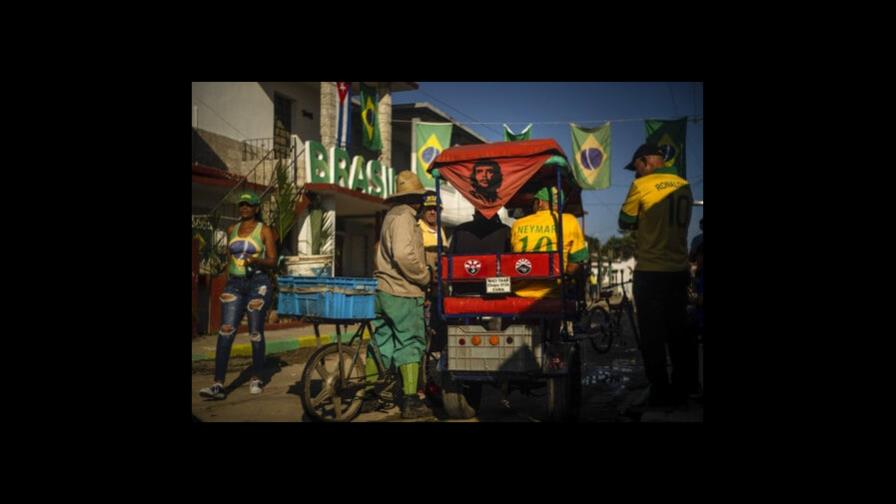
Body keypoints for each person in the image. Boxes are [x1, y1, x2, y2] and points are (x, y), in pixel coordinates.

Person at [619, 143, 696, 409]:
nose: (635, 174)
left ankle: (660, 390)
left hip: (651, 271)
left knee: (652, 336)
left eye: (636, 167)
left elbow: (624, 220)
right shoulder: (684, 185)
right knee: (679, 333)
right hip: (679, 271)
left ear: (646, 161)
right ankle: (682, 389)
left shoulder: (642, 186)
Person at [365, 171, 433, 419]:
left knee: (381, 342)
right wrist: (424, 276)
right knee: (410, 343)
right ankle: (410, 400)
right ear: (416, 198)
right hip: (403, 291)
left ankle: (369, 395)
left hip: (382, 290)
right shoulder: (405, 217)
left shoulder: (390, 215)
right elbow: (404, 256)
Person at [199, 191, 277, 400]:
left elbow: (272, 260)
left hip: (258, 284)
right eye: (241, 205)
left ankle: (257, 377)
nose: (244, 208)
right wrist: (228, 280)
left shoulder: (264, 230)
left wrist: (256, 261)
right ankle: (218, 384)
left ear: (256, 208)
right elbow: (229, 259)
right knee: (226, 332)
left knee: (255, 332)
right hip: (234, 284)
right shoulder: (231, 229)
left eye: (248, 205)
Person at [510, 186, 588, 299]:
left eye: (534, 202)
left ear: (540, 202)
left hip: (521, 292)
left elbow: (513, 256)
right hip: (554, 293)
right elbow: (574, 264)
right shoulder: (569, 221)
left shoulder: (518, 224)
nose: (533, 205)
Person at [447, 211, 512, 296]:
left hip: (464, 289)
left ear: (475, 215)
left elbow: (451, 260)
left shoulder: (460, 229)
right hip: (496, 289)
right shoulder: (505, 230)